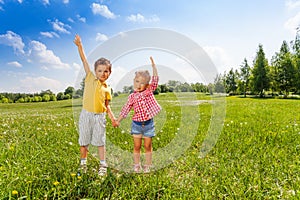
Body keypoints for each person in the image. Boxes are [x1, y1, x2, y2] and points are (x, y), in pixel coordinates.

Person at [74, 34, 117, 176]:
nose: (103, 73)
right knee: (84, 140)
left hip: (100, 116)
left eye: (106, 71)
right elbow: (84, 61)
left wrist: (112, 118)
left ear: (110, 73)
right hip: (86, 114)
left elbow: (107, 105)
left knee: (100, 141)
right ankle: (83, 163)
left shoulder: (107, 88)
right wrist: (80, 46)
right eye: (100, 70)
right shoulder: (90, 78)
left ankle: (103, 164)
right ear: (95, 71)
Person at [116, 57, 161, 173]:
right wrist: (118, 120)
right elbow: (125, 109)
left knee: (147, 146)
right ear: (133, 81)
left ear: (147, 85)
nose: (139, 84)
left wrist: (154, 66)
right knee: (136, 146)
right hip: (136, 125)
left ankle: (148, 165)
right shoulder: (132, 96)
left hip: (148, 124)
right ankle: (136, 165)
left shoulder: (149, 91)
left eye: (142, 83)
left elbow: (155, 80)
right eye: (137, 81)